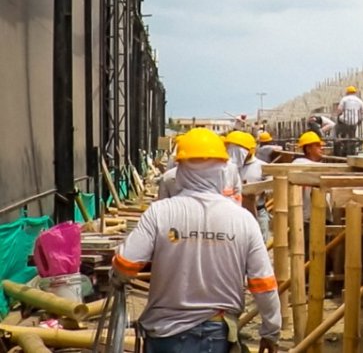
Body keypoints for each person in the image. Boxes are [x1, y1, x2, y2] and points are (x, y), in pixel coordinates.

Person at [112, 128, 280, 353]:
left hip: (164, 333)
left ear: (180, 169)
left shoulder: (160, 212)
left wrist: (116, 278)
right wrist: (271, 330)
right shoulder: (243, 220)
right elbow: (263, 284)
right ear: (222, 170)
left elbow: (125, 264)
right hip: (216, 334)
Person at [225, 130, 269, 241]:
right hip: (231, 214)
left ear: (250, 150)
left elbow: (272, 187)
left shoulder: (262, 166)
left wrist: (256, 190)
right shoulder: (225, 168)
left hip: (257, 212)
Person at [335, 86, 363, 157]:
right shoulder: (359, 100)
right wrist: (360, 120)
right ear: (355, 93)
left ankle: (342, 150)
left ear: (347, 92)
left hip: (344, 121)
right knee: (352, 136)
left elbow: (339, 110)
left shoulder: (344, 99)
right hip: (354, 122)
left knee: (341, 134)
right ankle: (352, 151)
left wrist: (338, 117)